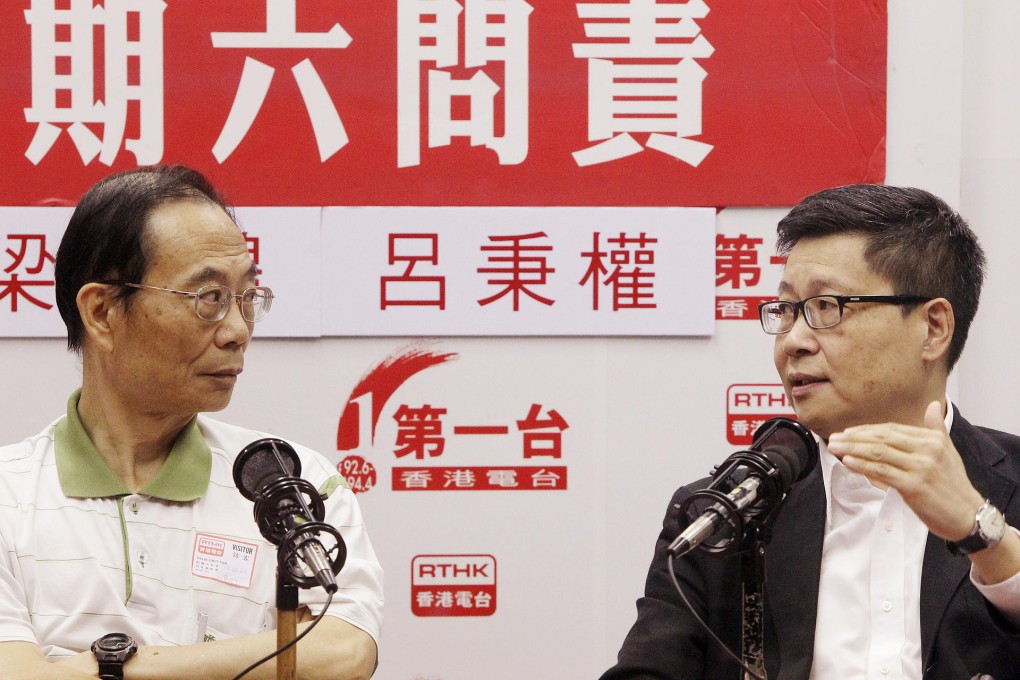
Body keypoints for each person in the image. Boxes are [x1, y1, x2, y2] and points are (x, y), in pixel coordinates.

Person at [601, 185, 1020, 680]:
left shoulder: (1010, 483)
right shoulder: (723, 515)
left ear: (932, 328)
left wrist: (983, 535)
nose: (793, 342)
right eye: (785, 311)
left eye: (826, 308)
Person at [0, 165, 383, 680]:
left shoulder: (288, 479)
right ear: (102, 312)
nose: (237, 330)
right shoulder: (10, 493)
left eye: (246, 297)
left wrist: (123, 666)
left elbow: (342, 653)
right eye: (209, 299)